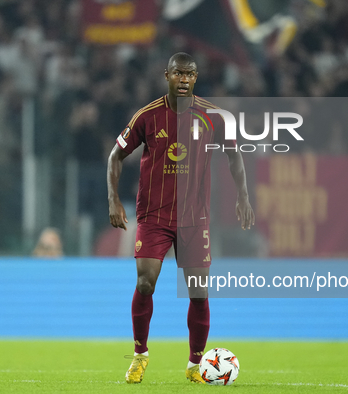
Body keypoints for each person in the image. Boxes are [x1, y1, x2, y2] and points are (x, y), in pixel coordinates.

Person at [107, 52, 254, 384]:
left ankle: (195, 364)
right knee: (146, 281)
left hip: (194, 219)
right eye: (178, 74)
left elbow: (235, 156)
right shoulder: (148, 116)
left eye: (190, 74)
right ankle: (140, 355)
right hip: (154, 217)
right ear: (167, 75)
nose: (184, 79)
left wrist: (243, 196)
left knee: (198, 291)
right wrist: (114, 200)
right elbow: (116, 155)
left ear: (196, 78)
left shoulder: (212, 116)